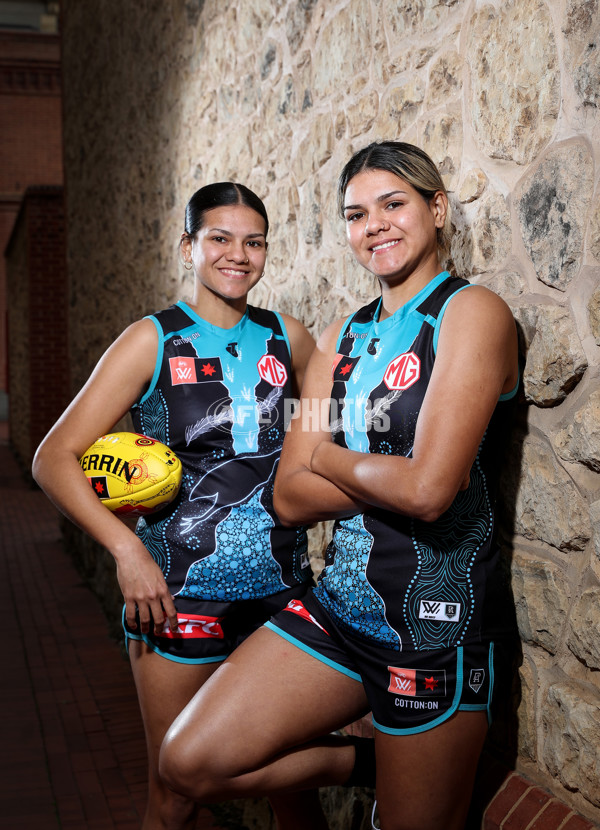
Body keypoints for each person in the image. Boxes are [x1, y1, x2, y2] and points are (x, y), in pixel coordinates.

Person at [159, 142, 520, 830]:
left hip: (430, 630)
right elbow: (287, 498)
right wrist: (378, 472)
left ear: (436, 210)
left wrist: (327, 459)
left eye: (394, 205)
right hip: (338, 610)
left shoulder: (471, 315)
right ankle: (365, 766)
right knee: (187, 761)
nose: (375, 225)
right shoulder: (338, 341)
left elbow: (428, 493)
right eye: (357, 214)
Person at [32, 181, 326, 830]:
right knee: (175, 794)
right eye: (219, 239)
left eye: (254, 242)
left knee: (295, 793)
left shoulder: (291, 340)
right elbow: (53, 458)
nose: (238, 255)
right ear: (189, 245)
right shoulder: (151, 340)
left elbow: (326, 447)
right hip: (176, 595)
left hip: (283, 594)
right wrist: (125, 549)